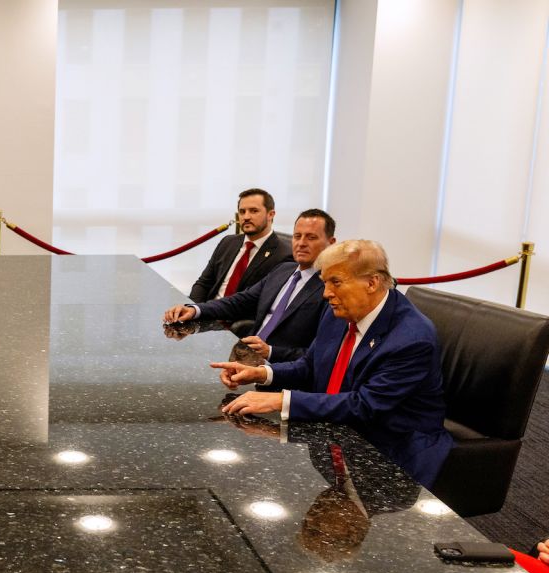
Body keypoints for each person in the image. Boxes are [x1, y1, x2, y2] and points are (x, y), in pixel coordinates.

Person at [210, 240, 454, 487]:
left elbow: (365, 405)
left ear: (372, 282)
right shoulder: (339, 312)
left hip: (391, 451)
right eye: (325, 282)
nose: (326, 293)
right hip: (335, 436)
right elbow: (311, 366)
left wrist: (280, 400)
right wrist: (261, 373)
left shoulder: (411, 339)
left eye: (336, 282)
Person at [164, 209, 338, 362]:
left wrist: (270, 352)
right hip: (246, 357)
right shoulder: (283, 270)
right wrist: (195, 310)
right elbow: (239, 301)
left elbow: (321, 354)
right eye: (297, 236)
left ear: (331, 243)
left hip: (281, 369)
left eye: (311, 237)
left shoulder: (331, 288)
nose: (301, 243)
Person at [188, 188, 294, 303]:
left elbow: (263, 303)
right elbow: (204, 283)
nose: (246, 217)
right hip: (205, 313)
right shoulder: (227, 242)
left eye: (254, 211)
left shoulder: (284, 255)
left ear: (270, 214)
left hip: (237, 319)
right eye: (242, 211)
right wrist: (193, 308)